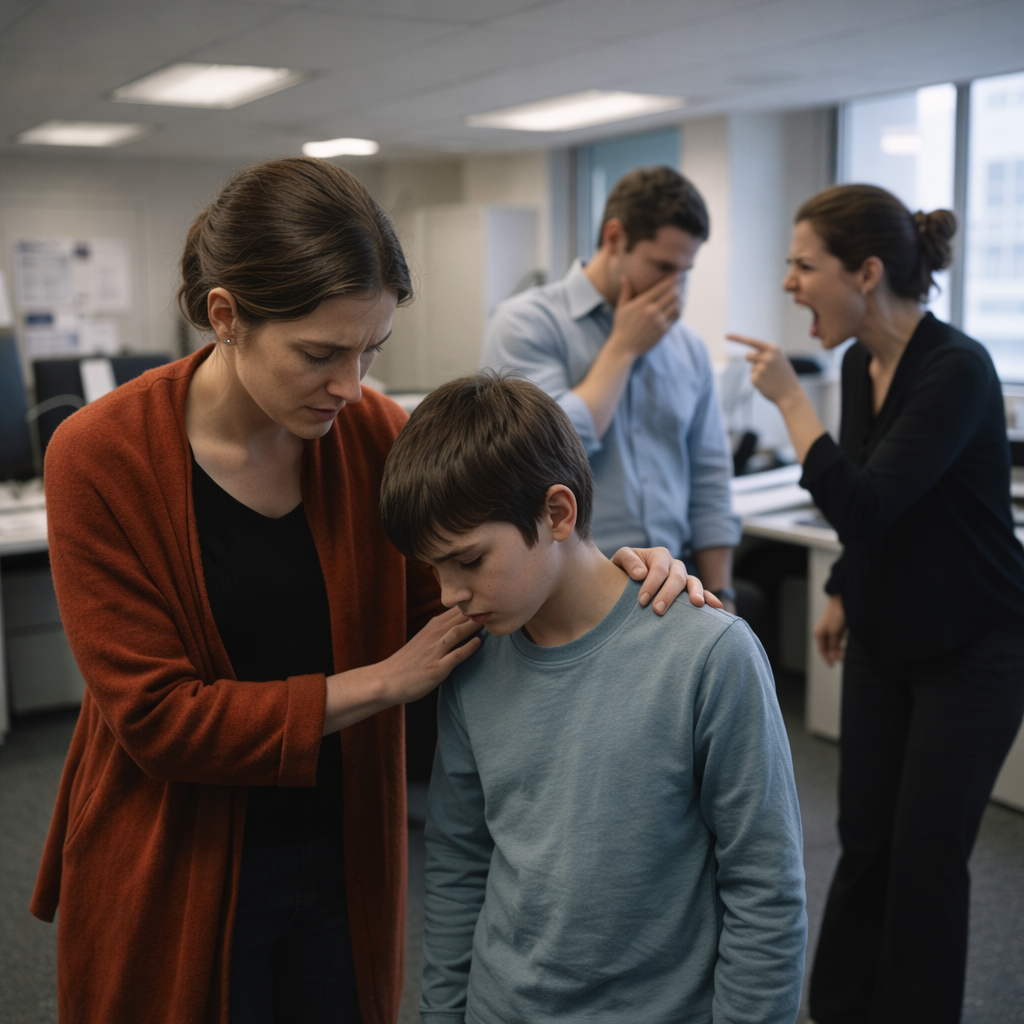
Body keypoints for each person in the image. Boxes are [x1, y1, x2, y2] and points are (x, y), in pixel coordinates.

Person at [29, 157, 711, 1024]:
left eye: (371, 350)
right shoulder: (100, 456)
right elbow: (160, 721)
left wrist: (618, 577)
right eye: (320, 354)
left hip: (341, 847)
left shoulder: (375, 434)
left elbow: (485, 586)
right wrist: (384, 682)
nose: (351, 386)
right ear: (226, 316)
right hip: (178, 850)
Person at [379, 373, 808, 1024]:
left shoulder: (709, 656)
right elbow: (460, 861)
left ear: (557, 513)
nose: (447, 594)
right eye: (434, 568)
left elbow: (766, 890)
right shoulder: (473, 658)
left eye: (467, 561)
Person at [731, 183, 1024, 1024]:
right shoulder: (864, 361)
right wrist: (839, 587)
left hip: (976, 646)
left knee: (928, 863)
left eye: (802, 264)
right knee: (865, 845)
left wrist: (791, 400)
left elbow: (862, 503)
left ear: (865, 272)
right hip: (889, 633)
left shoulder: (957, 369)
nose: (789, 283)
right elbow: (872, 493)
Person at [480, 166, 744, 613]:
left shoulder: (688, 347)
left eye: (685, 271)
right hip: (570, 589)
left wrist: (725, 595)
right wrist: (621, 349)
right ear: (615, 237)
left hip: (676, 585)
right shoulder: (526, 322)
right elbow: (534, 458)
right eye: (662, 266)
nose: (674, 288)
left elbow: (709, 476)